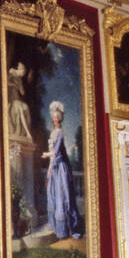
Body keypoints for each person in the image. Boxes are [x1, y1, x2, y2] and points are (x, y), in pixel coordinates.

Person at [40, 100, 82, 240]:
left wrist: (46, 155)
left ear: (60, 118)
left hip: (62, 168)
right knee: (53, 195)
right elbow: (54, 155)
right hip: (55, 167)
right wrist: (49, 169)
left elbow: (56, 152)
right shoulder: (52, 132)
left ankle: (67, 230)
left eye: (58, 117)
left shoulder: (61, 133)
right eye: (54, 116)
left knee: (63, 197)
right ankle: (57, 228)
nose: (55, 118)